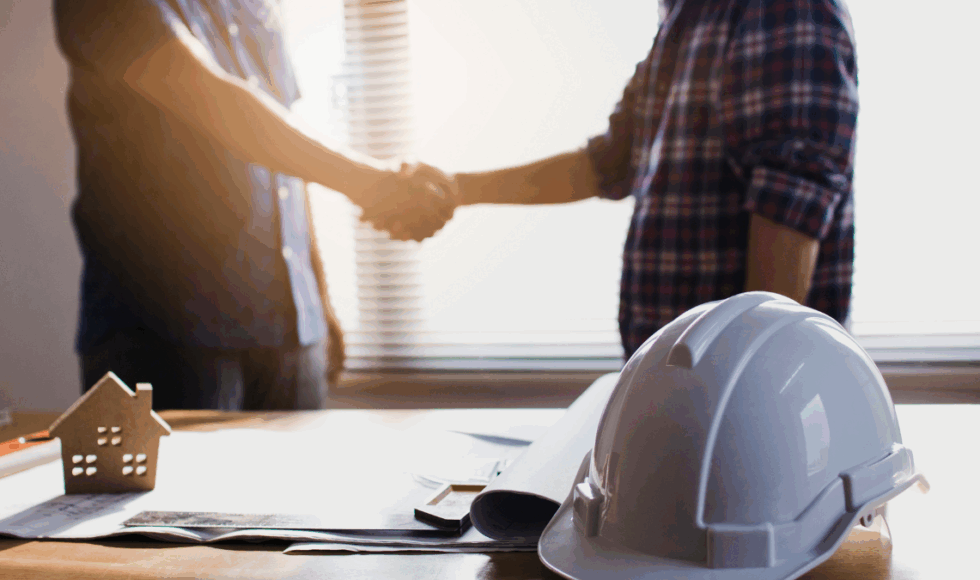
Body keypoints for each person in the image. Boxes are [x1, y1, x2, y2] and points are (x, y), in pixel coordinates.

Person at [53, 0, 455, 410]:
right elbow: (211, 98)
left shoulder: (253, 6)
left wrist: (318, 294)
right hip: (165, 330)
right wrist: (372, 183)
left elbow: (284, 156)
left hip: (290, 330)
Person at [426, 0, 858, 358]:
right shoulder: (685, 20)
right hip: (680, 389)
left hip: (734, 401)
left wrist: (743, 390)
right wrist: (456, 188)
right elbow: (609, 163)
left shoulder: (779, 9)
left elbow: (789, 205)